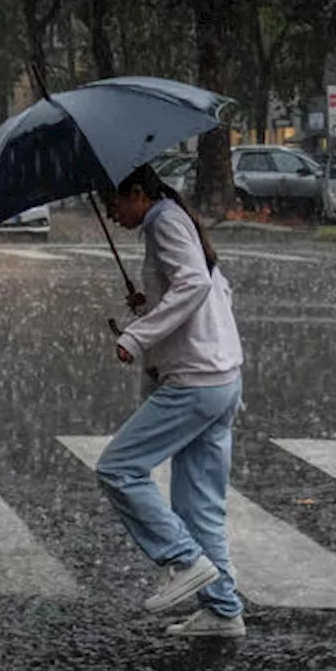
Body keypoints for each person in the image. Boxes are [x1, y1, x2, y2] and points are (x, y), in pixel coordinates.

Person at [95, 163, 246, 638]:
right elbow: (212, 290)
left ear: (137, 192)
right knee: (199, 504)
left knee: (118, 468)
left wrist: (138, 336)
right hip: (221, 377)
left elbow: (195, 286)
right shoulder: (175, 219)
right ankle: (224, 611)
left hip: (195, 380)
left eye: (113, 203)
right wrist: (151, 306)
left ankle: (184, 561)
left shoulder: (163, 221)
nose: (112, 214)